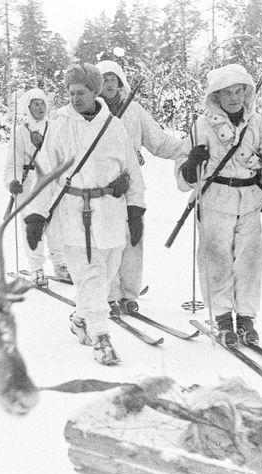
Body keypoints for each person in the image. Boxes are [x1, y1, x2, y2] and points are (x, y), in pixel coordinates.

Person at [24, 63, 145, 365]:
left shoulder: (113, 126)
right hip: (75, 214)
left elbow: (131, 168)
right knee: (90, 275)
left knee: (103, 277)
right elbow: (47, 174)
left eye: (81, 92)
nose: (75, 98)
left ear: (95, 92)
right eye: (70, 92)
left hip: (112, 214)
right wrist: (37, 215)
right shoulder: (60, 125)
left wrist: (135, 209)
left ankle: (80, 318)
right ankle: (101, 338)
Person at [175, 63, 262, 347]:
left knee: (250, 261)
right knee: (216, 260)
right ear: (215, 95)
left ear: (246, 92)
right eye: (226, 92)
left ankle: (245, 317)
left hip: (250, 202)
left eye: (239, 90)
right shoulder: (202, 126)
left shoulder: (258, 124)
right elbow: (183, 178)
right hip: (215, 199)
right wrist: (192, 161)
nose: (233, 97)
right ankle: (222, 316)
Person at [96, 60, 186, 317]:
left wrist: (190, 147)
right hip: (102, 187)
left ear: (120, 81)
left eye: (113, 79)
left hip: (132, 185)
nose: (109, 84)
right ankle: (110, 295)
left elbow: (158, 142)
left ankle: (129, 294)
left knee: (133, 237)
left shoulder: (133, 110)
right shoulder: (92, 113)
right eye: (103, 80)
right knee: (107, 240)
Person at [4, 88, 69, 287]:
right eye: (35, 104)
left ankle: (60, 265)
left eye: (42, 103)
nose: (40, 107)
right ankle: (36, 268)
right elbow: (13, 161)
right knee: (33, 227)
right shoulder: (20, 131)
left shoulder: (55, 126)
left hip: (52, 181)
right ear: (27, 107)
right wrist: (12, 181)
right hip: (30, 183)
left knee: (57, 226)